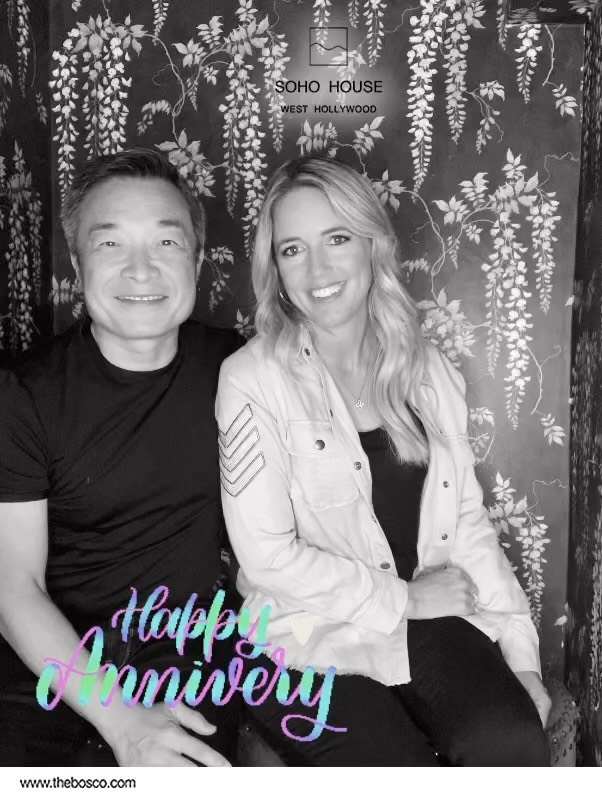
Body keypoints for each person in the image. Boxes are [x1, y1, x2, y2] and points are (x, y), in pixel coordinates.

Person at [215, 156, 552, 766]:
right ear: (276, 268)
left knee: (511, 742)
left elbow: (467, 524)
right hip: (300, 636)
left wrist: (520, 655)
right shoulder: (250, 380)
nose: (317, 268)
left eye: (337, 239)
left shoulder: (429, 371)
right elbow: (267, 558)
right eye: (292, 249)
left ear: (372, 245)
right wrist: (405, 600)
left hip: (427, 624)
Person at [0, 148, 243, 767]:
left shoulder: (239, 369)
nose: (141, 270)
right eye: (110, 244)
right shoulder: (25, 395)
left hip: (186, 660)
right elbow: (13, 588)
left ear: (195, 259)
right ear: (77, 262)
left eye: (166, 242)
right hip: (51, 663)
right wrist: (120, 719)